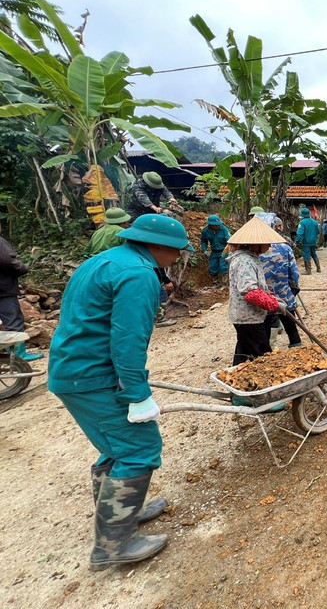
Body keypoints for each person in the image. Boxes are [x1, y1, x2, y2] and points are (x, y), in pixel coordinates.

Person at [47, 214, 194, 571]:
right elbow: (128, 341)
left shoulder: (103, 261)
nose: (177, 258)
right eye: (177, 252)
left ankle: (123, 511)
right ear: (161, 247)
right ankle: (113, 544)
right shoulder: (138, 275)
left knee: (115, 446)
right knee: (140, 448)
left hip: (72, 370)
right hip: (96, 376)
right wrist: (136, 393)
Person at [226, 217, 284, 366]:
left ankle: (237, 381)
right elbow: (250, 292)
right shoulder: (244, 261)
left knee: (244, 352)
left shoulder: (251, 258)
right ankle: (267, 385)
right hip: (248, 318)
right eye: (267, 242)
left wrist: (270, 296)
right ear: (256, 244)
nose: (269, 245)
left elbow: (257, 286)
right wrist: (273, 304)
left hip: (249, 316)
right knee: (262, 355)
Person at [0, 223, 43, 361]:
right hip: (3, 288)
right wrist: (22, 268)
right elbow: (7, 260)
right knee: (13, 320)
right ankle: (18, 355)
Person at [260, 235, 302, 349]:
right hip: (284, 293)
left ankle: (267, 352)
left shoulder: (255, 249)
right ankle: (296, 347)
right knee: (291, 326)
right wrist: (293, 287)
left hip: (264, 297)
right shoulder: (285, 248)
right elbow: (294, 274)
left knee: (266, 326)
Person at [200, 214, 231, 285]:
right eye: (214, 225)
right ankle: (215, 282)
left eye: (217, 225)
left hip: (224, 250)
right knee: (213, 267)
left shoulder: (224, 230)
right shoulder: (205, 231)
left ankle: (225, 282)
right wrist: (204, 250)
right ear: (210, 225)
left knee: (223, 266)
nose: (216, 226)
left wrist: (227, 250)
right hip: (214, 251)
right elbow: (203, 241)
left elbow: (229, 241)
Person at [295, 207, 321, 274]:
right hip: (313, 242)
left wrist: (296, 242)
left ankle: (308, 270)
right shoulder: (315, 222)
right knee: (314, 254)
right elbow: (318, 232)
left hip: (306, 242)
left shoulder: (302, 223)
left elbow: (300, 234)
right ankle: (318, 268)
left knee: (306, 255)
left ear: (302, 215)